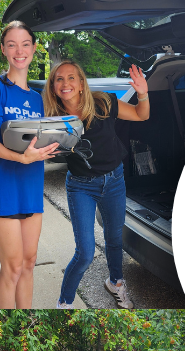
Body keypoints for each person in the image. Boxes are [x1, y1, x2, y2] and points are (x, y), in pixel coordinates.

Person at [45, 60, 149, 309]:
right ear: (53, 87)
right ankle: (65, 302)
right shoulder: (52, 117)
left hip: (114, 180)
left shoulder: (103, 102)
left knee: (114, 240)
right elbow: (22, 129)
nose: (66, 83)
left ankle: (116, 282)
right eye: (59, 79)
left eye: (71, 77)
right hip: (81, 186)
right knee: (85, 253)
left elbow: (140, 114)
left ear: (81, 83)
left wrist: (143, 94)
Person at [0, 21, 60, 308]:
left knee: (29, 262)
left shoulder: (38, 98)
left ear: (34, 49)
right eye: (12, 44)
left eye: (25, 44)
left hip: (29, 185)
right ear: (3, 50)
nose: (19, 51)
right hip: (0, 186)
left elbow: (38, 139)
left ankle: (25, 325)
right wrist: (22, 157)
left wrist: (50, 149)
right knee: (11, 266)